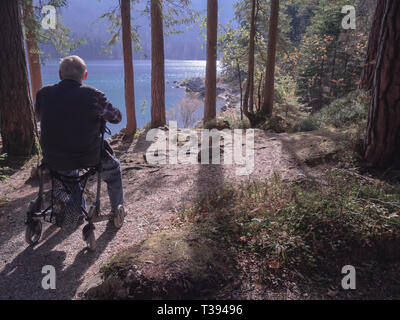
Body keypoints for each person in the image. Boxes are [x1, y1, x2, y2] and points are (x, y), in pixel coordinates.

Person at [35, 55, 125, 224]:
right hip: (87, 155)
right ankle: (117, 209)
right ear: (84, 76)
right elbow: (116, 117)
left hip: (53, 155)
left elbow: (39, 117)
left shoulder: (43, 94)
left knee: (69, 175)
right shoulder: (93, 96)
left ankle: (76, 209)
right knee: (114, 171)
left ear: (60, 74)